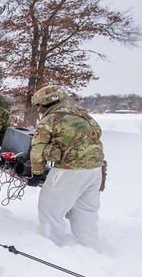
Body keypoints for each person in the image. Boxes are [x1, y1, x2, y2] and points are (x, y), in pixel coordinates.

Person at [28, 85, 106, 249]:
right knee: (85, 210)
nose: (38, 109)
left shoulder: (51, 119)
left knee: (50, 208)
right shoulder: (82, 114)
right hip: (95, 169)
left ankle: (47, 245)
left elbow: (37, 149)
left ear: (46, 103)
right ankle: (90, 246)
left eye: (39, 105)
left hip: (69, 169)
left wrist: (36, 173)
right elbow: (97, 132)